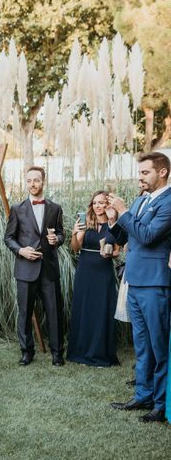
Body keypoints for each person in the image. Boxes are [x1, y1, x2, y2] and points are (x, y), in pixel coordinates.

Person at [107, 152, 171, 423]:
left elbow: (146, 236)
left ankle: (159, 404)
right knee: (141, 344)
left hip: (155, 283)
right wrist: (113, 219)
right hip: (133, 280)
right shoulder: (141, 199)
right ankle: (143, 394)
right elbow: (122, 235)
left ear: (163, 172)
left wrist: (124, 212)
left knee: (159, 346)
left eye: (145, 172)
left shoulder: (169, 202)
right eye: (139, 173)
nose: (140, 177)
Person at [4, 166, 65, 367]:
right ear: (26, 182)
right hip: (25, 269)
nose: (32, 184)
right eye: (29, 180)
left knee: (54, 311)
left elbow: (62, 234)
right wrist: (21, 251)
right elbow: (8, 237)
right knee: (25, 312)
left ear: (43, 181)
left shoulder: (55, 208)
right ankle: (26, 351)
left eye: (36, 180)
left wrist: (56, 238)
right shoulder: (17, 208)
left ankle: (57, 352)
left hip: (49, 269)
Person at [67, 190, 120, 367]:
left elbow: (118, 250)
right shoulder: (86, 223)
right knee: (84, 310)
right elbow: (75, 248)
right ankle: (81, 351)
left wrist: (110, 254)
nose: (98, 206)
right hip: (85, 272)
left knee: (101, 311)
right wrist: (74, 233)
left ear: (108, 205)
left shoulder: (114, 224)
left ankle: (99, 353)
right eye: (95, 203)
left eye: (102, 203)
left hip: (103, 273)